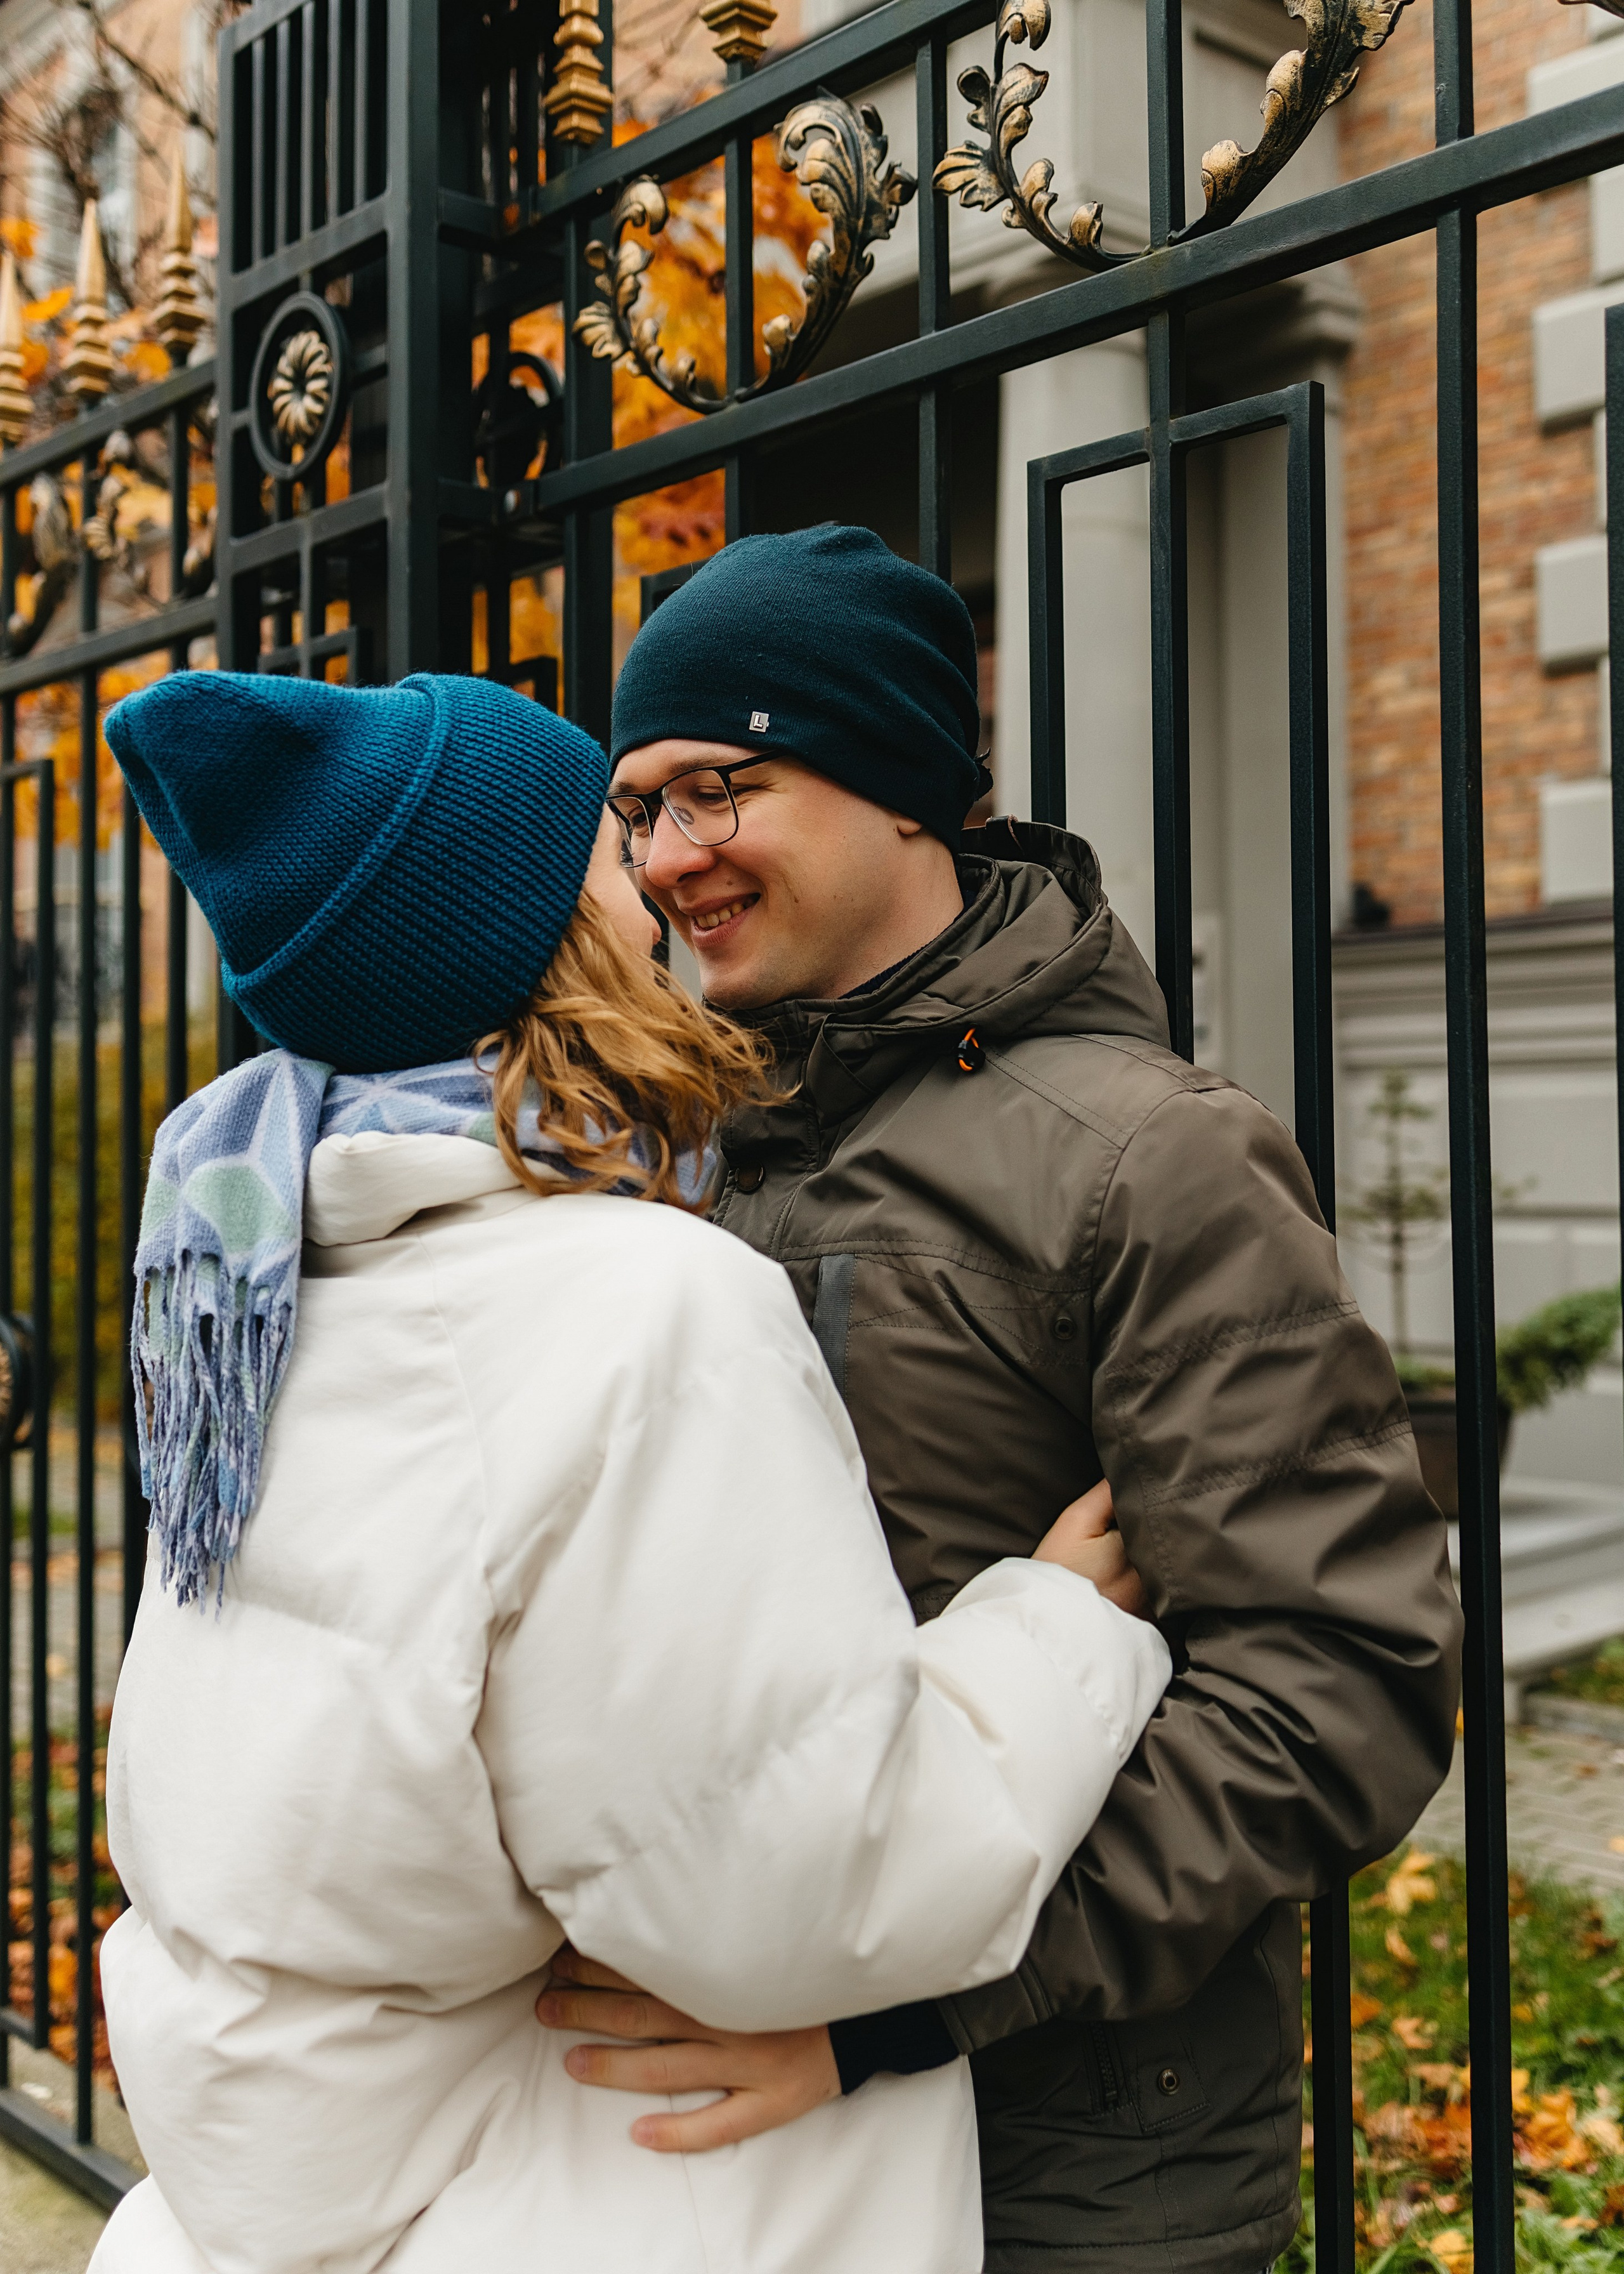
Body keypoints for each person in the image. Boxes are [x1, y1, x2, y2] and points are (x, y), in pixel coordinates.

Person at [87, 667, 1171, 2274]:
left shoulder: (269, 1276)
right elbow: (792, 1896)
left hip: (284, 2175)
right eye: (607, 850)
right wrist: (1055, 1635)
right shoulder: (636, 1301)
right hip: (551, 2190)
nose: (654, 875)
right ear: (532, 939)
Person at [555, 525, 1465, 2274]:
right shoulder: (691, 1162)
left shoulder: (1148, 1162)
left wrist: (904, 2002)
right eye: (638, 808)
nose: (668, 858)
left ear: (899, 785)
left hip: (1070, 2161)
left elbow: (1341, 1680)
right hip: (742, 2144)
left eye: (721, 787)